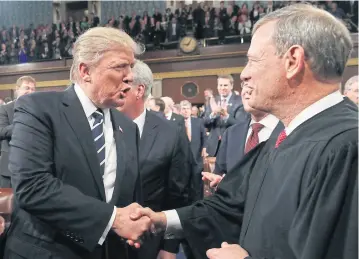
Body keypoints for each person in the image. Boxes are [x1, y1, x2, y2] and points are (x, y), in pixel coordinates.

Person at [131, 4, 358, 259]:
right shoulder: (284, 135)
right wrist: (161, 219)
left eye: (253, 60)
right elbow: (232, 205)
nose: (245, 74)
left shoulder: (348, 146)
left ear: (293, 61)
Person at [5, 27, 151, 259]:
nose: (130, 76)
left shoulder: (128, 128)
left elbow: (128, 198)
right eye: (119, 67)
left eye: (131, 67)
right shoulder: (38, 109)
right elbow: (32, 187)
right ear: (85, 71)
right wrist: (112, 220)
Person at [117, 60, 193, 259]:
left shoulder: (171, 133)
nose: (115, 89)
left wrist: (169, 246)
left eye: (123, 83)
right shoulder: (99, 126)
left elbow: (180, 194)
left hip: (149, 245)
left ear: (139, 90)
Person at [202, 85, 283, 188]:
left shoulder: (290, 131)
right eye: (244, 85)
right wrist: (222, 185)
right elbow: (220, 174)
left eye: (253, 83)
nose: (246, 91)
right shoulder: (231, 133)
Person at [0, 76, 36, 188]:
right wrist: (22, 124)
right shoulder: (5, 109)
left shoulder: (39, 109)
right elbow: (1, 131)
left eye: (33, 89)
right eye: (27, 88)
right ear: (17, 89)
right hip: (9, 169)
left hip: (33, 167)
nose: (30, 91)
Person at [204, 74, 245, 157]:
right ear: (217, 86)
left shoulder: (240, 101)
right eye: (220, 85)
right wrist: (213, 114)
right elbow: (205, 123)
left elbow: (241, 125)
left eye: (225, 85)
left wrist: (226, 116)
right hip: (213, 147)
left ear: (231, 86)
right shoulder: (213, 100)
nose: (223, 88)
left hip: (232, 145)